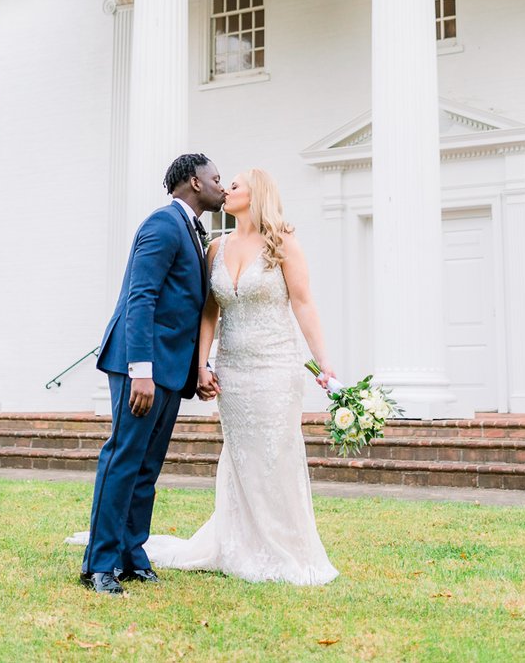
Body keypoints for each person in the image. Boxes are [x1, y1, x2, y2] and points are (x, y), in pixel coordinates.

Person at [143, 168, 339, 585]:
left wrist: (325, 363)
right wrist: (202, 365)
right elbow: (209, 313)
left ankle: (286, 549)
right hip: (233, 369)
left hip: (275, 366)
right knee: (241, 459)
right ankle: (240, 545)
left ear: (256, 194)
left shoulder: (282, 242)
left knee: (276, 455)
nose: (224, 190)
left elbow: (304, 305)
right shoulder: (216, 247)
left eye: (233, 185)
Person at [80, 152, 226, 595]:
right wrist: (140, 370)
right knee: (123, 459)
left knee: (146, 468)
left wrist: (195, 368)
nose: (223, 185)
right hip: (140, 366)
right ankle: (98, 565)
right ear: (194, 182)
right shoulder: (163, 225)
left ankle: (131, 554)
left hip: (168, 370)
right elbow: (140, 298)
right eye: (217, 178)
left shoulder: (190, 230)